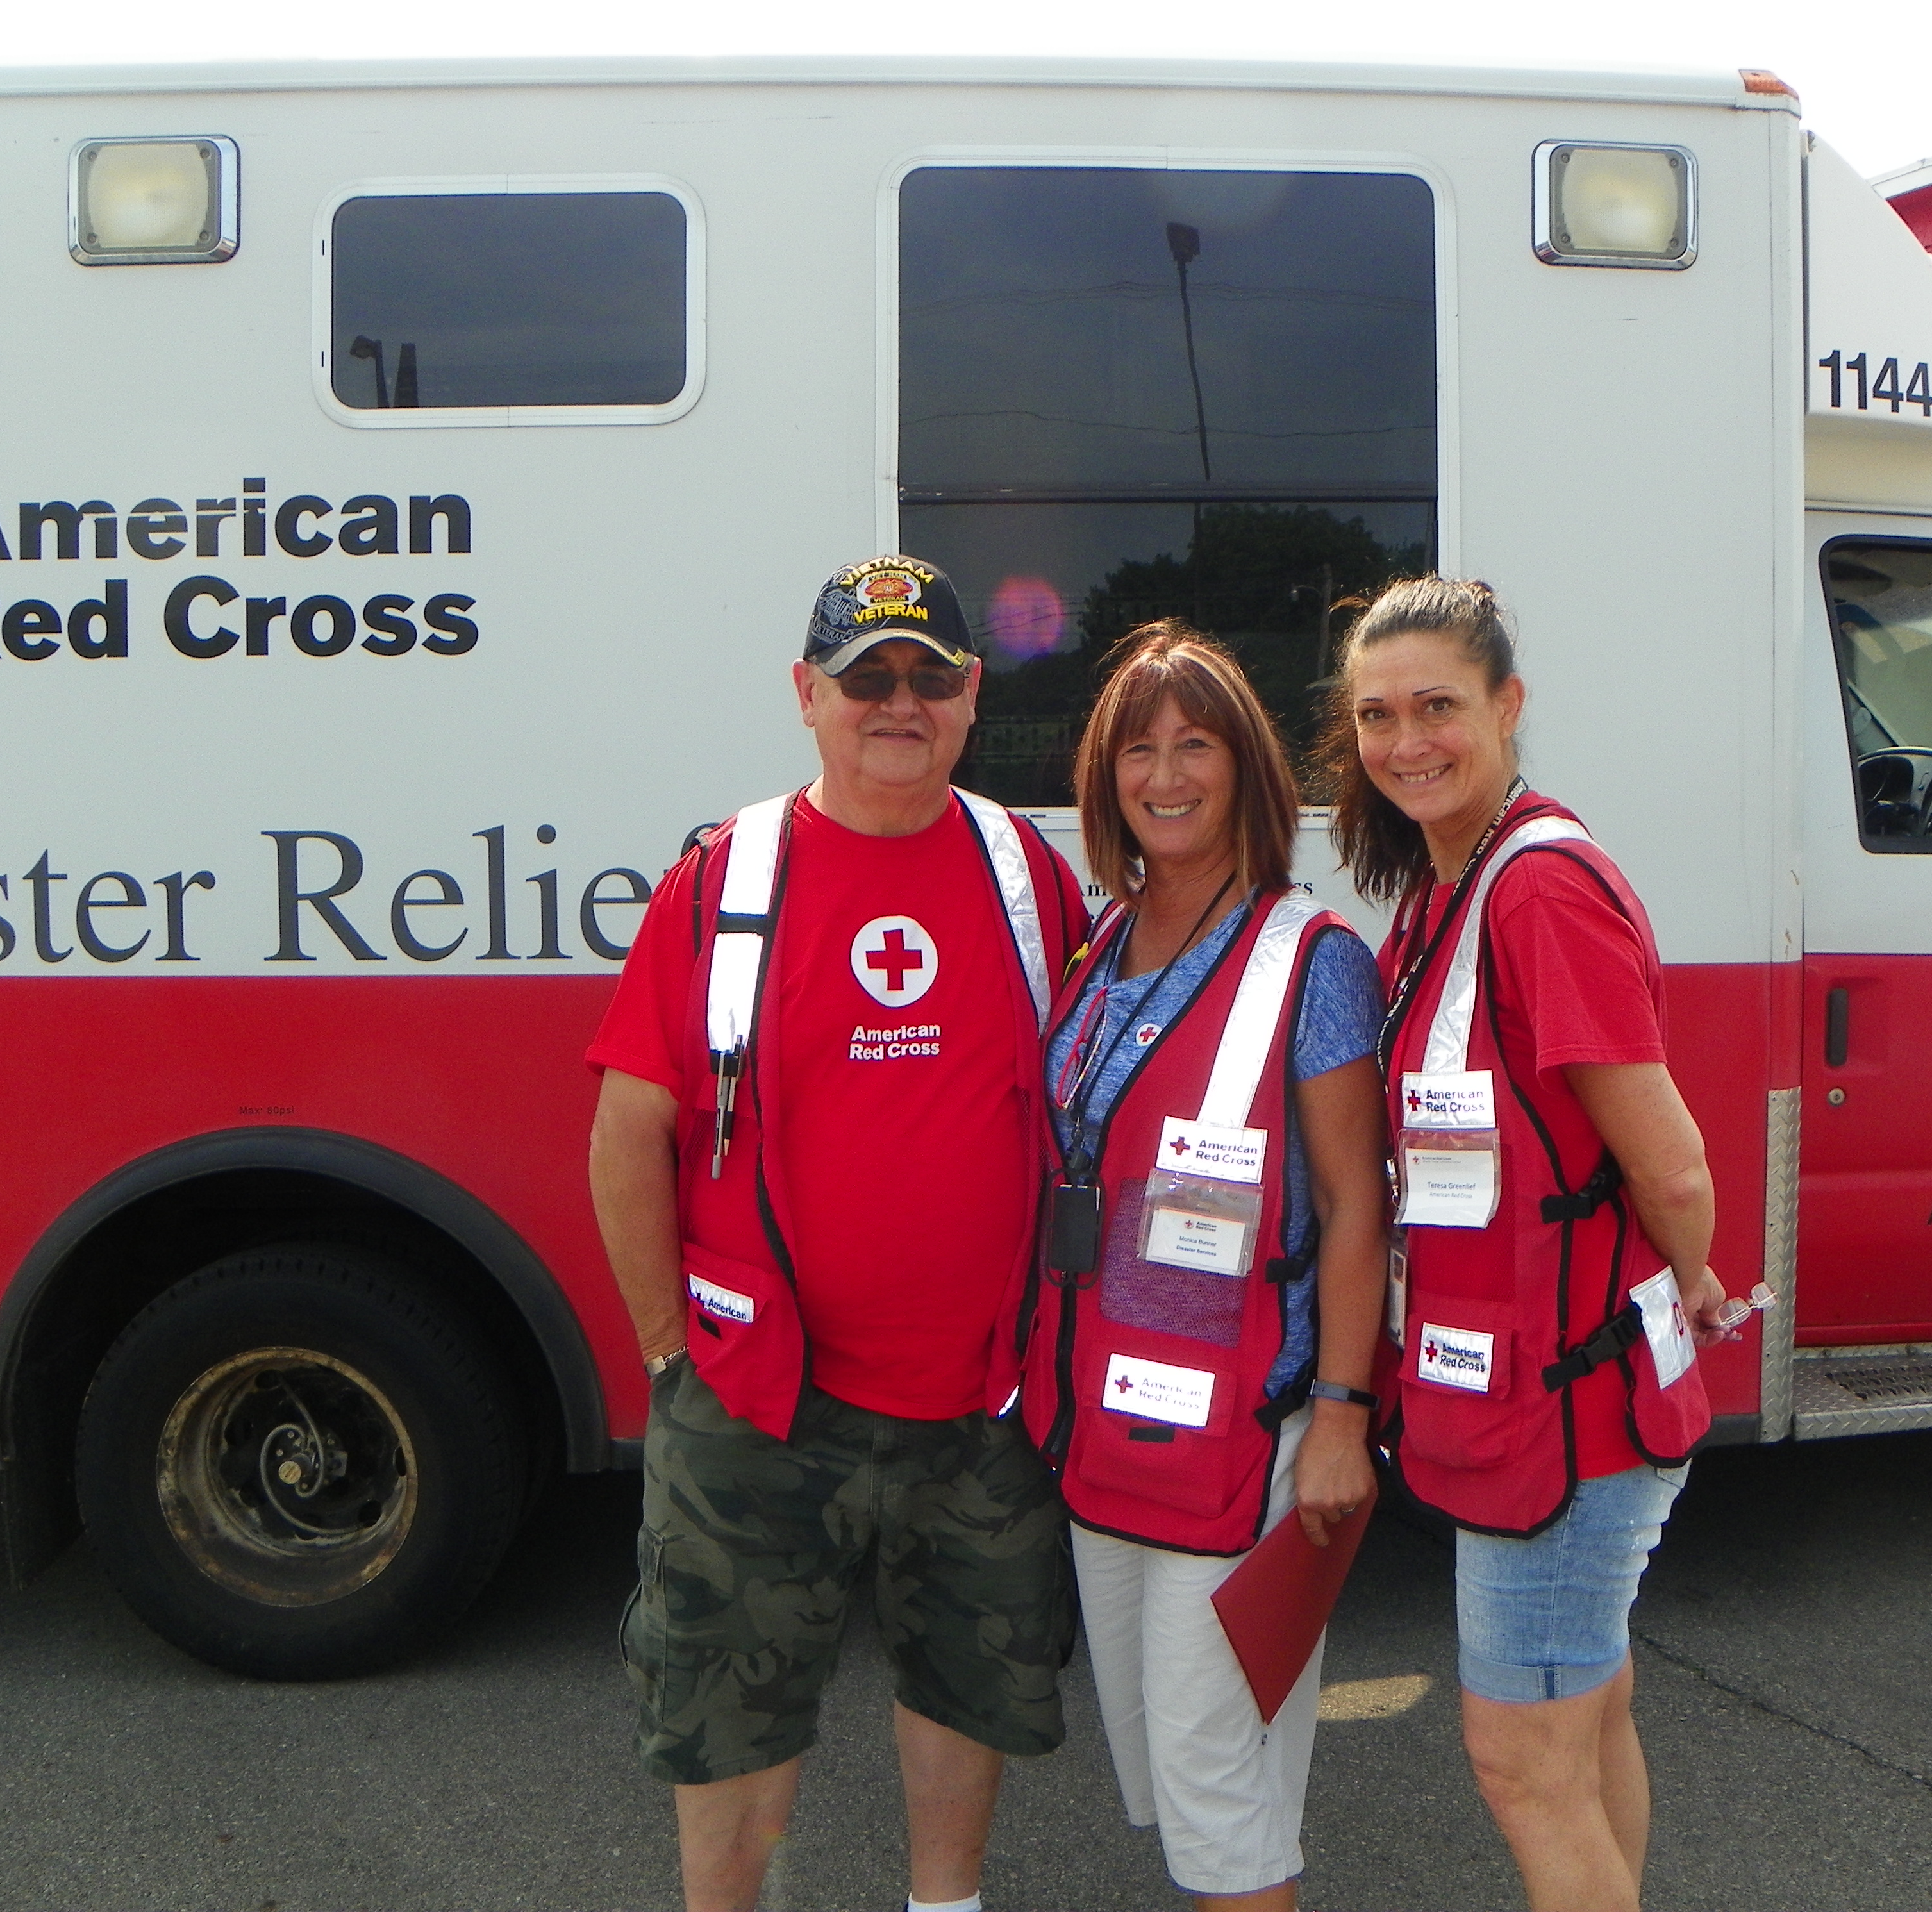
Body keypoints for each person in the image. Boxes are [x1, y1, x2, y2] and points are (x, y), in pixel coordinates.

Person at [585, 553, 1090, 1912]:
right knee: (724, 1717)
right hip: (753, 1405)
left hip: (980, 1399)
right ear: (806, 694)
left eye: (929, 676)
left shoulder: (1021, 873)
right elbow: (627, 1132)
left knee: (966, 1689)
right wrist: (665, 1353)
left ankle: (945, 1906)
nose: (899, 702)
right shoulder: (719, 882)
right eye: (866, 676)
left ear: (972, 697)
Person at [1327, 576, 1733, 1912]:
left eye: (1437, 706)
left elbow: (1665, 1157)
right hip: (1523, 1394)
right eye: (1377, 715)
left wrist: (1693, 1281)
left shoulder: (1533, 892)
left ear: (1507, 707)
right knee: (1584, 1716)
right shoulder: (1447, 887)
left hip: (1567, 1409)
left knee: (1520, 1759)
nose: (1405, 742)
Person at [1020, 622, 1390, 1912]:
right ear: (1103, 776)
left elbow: (1356, 1207)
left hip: (1246, 1432)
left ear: (1245, 769)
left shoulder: (1311, 960)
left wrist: (1341, 1417)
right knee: (1161, 1766)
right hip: (1106, 1423)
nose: (1165, 776)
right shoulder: (1097, 947)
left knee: (1211, 1769)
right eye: (1138, 751)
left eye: (1194, 747)